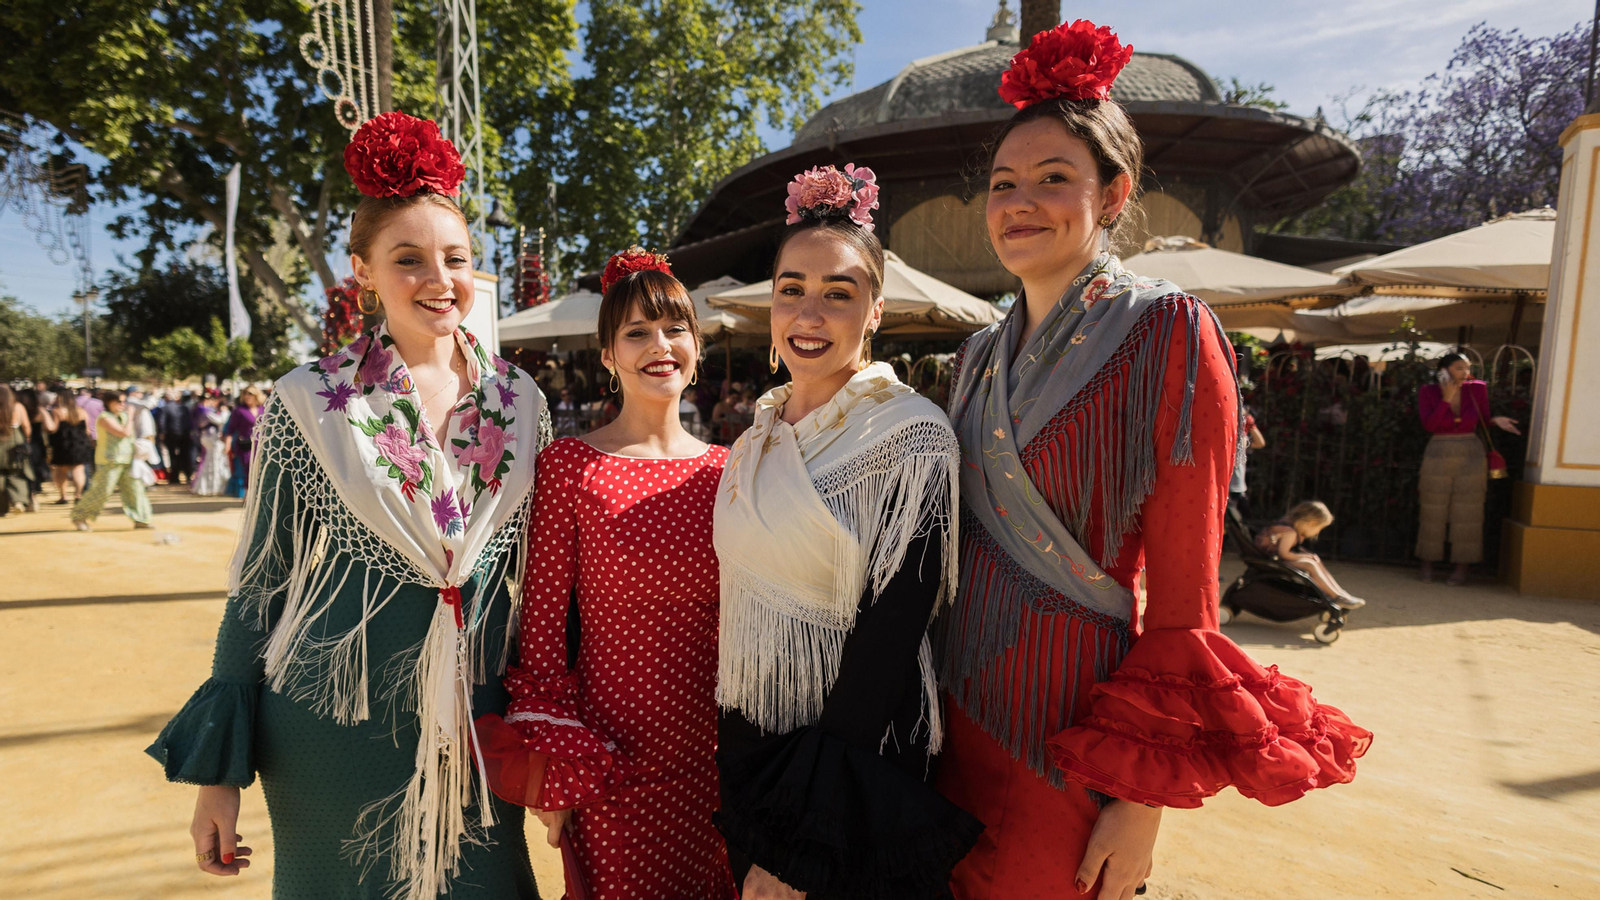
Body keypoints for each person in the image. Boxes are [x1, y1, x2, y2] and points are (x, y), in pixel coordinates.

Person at [934, 22, 1371, 900]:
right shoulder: (975, 354)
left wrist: (1142, 797)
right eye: (1002, 183)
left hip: (1069, 720)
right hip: (946, 709)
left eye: (1054, 179)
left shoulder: (1171, 332)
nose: (1020, 201)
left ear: (1115, 192)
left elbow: (1186, 595)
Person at [145, 112, 549, 900]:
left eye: (456, 258)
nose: (440, 280)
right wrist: (219, 779)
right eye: (408, 260)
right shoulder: (308, 401)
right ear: (362, 270)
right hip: (332, 728)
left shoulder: (522, 400)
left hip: (479, 722)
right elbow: (263, 582)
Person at [713, 164, 983, 900]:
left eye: (839, 294)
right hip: (749, 741)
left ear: (875, 309)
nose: (809, 313)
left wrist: (801, 840)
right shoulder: (752, 439)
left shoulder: (913, 435)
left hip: (856, 765)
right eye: (791, 290)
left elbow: (893, 633)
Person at [476, 248, 737, 899]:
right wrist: (553, 768)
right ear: (608, 355)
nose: (660, 345)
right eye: (637, 332)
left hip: (720, 765)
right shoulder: (570, 466)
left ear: (697, 346)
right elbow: (539, 628)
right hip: (607, 765)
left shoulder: (734, 469)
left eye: (675, 328)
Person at [1416, 352, 1519, 586]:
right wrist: (1446, 398)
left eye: (1467, 368)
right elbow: (1430, 425)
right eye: (1459, 368)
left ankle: (1461, 569)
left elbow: (1483, 419)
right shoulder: (1428, 391)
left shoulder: (1478, 389)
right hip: (1438, 450)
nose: (1465, 372)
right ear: (1444, 369)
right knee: (1432, 509)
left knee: (1469, 513)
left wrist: (1496, 421)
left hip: (1471, 451)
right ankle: (1427, 564)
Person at [1255, 501, 1365, 608]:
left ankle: (1340, 593)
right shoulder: (1290, 532)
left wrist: (1306, 554)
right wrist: (1305, 556)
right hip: (1272, 560)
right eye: (1319, 529)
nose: (1317, 533)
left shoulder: (1290, 526)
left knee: (1314, 560)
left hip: (1274, 557)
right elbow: (1284, 554)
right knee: (1310, 564)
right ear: (1311, 524)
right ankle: (1336, 596)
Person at [70, 391, 152, 531]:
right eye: (119, 402)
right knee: (102, 491)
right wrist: (131, 416)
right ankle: (80, 516)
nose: (122, 405)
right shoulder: (104, 417)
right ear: (109, 402)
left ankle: (141, 519)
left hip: (128, 459)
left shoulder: (124, 416)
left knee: (135, 490)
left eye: (123, 402)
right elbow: (123, 433)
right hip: (109, 460)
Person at [47, 391, 92, 503]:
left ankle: (63, 496)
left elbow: (53, 428)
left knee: (62, 471)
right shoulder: (82, 411)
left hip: (63, 444)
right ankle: (78, 495)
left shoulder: (57, 412)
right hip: (80, 444)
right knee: (78, 470)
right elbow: (87, 430)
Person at [221, 387, 264, 497]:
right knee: (248, 469)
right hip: (245, 445)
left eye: (250, 394)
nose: (247, 396)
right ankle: (247, 495)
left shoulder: (263, 409)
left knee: (260, 469)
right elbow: (230, 429)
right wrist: (227, 445)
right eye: (245, 394)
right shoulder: (239, 410)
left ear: (256, 395)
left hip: (261, 445)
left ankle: (257, 494)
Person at [0, 385, 35, 515]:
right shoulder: (18, 407)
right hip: (14, 441)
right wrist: (27, 439)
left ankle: (2, 508)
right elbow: (26, 426)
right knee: (16, 473)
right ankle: (18, 501)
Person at [191, 396, 231, 496]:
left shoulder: (204, 410)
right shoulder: (205, 410)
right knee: (214, 462)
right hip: (211, 439)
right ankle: (212, 487)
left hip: (210, 438)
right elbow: (220, 420)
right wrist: (225, 411)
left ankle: (212, 487)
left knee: (212, 462)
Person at [161, 391, 196, 485]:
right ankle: (187, 474)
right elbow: (190, 422)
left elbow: (162, 422)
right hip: (184, 435)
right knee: (184, 456)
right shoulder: (184, 408)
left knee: (172, 456)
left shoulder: (165, 408)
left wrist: (162, 433)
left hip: (171, 435)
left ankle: (174, 477)